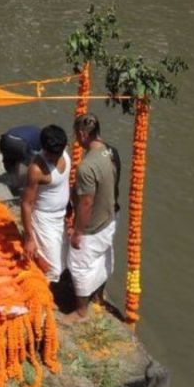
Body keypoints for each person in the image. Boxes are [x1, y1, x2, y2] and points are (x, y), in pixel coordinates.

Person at [66, 114, 120, 322]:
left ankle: (81, 311)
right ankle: (97, 296)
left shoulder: (86, 167)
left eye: (76, 135)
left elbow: (86, 202)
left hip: (93, 224)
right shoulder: (111, 151)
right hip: (111, 215)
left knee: (78, 264)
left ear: (82, 134)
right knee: (103, 256)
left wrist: (78, 232)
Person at [20, 125, 69, 284]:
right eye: (51, 156)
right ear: (43, 149)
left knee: (64, 262)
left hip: (61, 216)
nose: (55, 159)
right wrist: (29, 238)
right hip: (44, 219)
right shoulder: (36, 169)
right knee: (53, 270)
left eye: (58, 155)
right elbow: (26, 204)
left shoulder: (66, 155)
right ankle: (37, 292)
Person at [0, 125, 41, 193]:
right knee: (26, 164)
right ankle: (18, 186)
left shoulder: (36, 130)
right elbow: (36, 155)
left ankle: (11, 179)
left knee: (9, 160)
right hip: (20, 144)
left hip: (5, 139)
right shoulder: (42, 138)